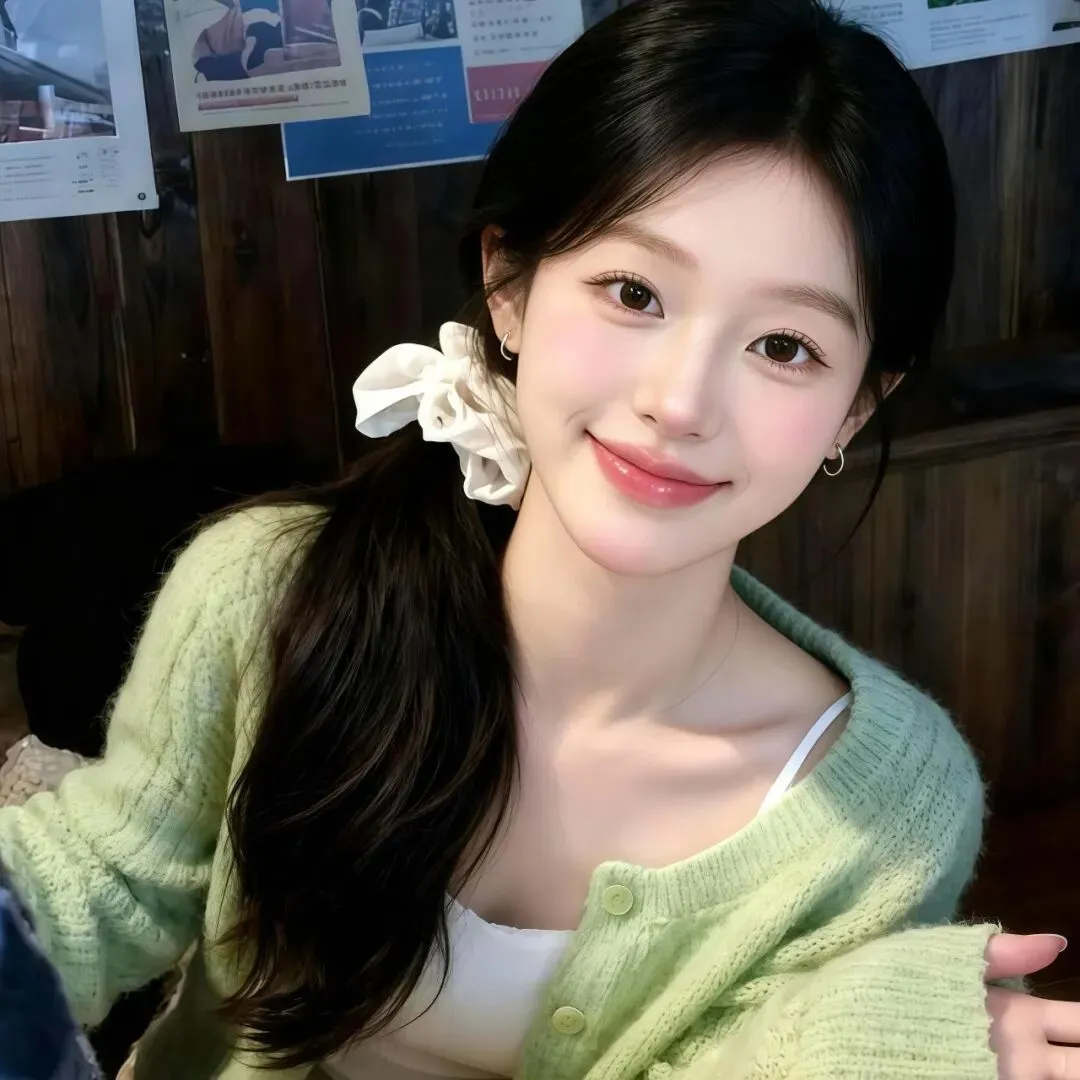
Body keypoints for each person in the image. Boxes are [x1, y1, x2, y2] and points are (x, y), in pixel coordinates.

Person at [0, 1, 1077, 1077]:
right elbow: (104, 880)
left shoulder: (888, 813)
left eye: (785, 346)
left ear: (855, 408)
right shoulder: (270, 590)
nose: (679, 403)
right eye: (634, 292)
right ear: (509, 288)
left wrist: (847, 1046)